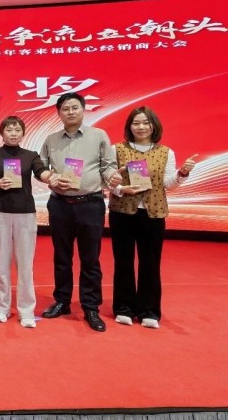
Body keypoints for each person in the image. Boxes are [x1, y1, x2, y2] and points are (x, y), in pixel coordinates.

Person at [39, 92, 122, 332]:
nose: (70, 112)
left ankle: (91, 307)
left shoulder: (99, 135)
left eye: (75, 107)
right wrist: (51, 178)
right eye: (65, 109)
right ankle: (62, 301)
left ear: (83, 110)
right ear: (59, 113)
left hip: (90, 204)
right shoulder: (51, 139)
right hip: (60, 205)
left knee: (90, 258)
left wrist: (113, 177)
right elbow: (41, 166)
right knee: (61, 257)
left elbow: (108, 166)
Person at [109, 106, 197, 329]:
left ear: (154, 126)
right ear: (129, 126)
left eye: (145, 123)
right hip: (122, 212)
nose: (141, 127)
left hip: (153, 213)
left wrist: (182, 173)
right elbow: (108, 181)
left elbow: (168, 184)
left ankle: (149, 311)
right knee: (123, 261)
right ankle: (124, 308)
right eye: (136, 123)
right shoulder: (116, 149)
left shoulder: (165, 152)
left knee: (150, 263)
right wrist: (120, 188)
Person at [0, 116, 51, 328]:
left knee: (25, 265)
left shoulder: (31, 155)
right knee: (2, 263)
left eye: (17, 130)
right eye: (9, 130)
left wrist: (50, 177)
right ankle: (2, 307)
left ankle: (26, 311)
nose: (13, 133)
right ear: (2, 133)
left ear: (23, 133)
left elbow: (41, 172)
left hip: (25, 214)